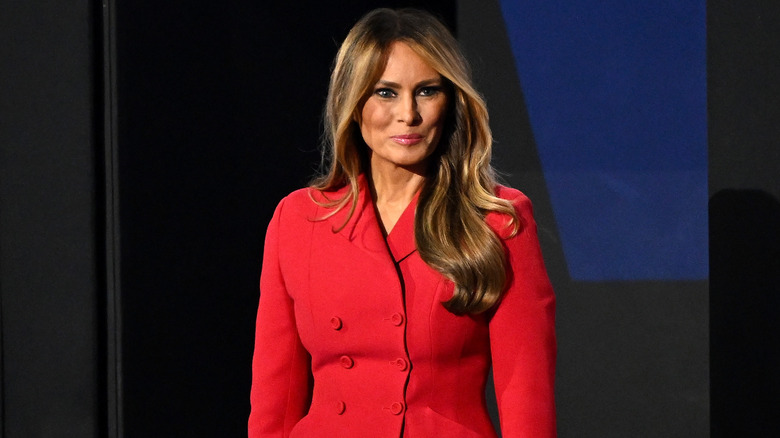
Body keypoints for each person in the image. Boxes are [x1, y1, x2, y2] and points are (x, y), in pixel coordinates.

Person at [249, 8, 556, 438]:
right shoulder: (300, 219)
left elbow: (525, 394)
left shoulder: (497, 219)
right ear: (352, 103)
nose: (408, 115)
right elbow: (273, 400)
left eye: (427, 91)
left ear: (451, 101)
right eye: (386, 92)